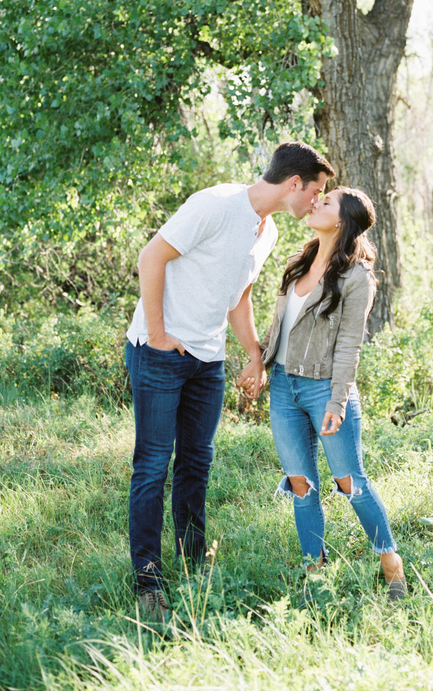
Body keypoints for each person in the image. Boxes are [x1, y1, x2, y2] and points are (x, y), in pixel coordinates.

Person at [125, 142, 335, 618]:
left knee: (197, 462)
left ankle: (193, 561)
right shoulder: (216, 204)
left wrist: (254, 355)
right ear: (294, 183)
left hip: (206, 360)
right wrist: (158, 334)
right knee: (154, 464)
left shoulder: (269, 231)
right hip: (159, 353)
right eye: (317, 191)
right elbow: (151, 256)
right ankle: (148, 579)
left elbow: (237, 295)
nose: (318, 202)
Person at [240, 186, 407, 601]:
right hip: (284, 387)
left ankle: (391, 565)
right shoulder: (298, 262)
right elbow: (282, 326)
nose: (316, 202)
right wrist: (259, 360)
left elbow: (350, 345)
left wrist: (337, 400)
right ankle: (315, 573)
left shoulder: (357, 277)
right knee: (301, 485)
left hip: (326, 391)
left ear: (343, 221)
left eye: (327, 201)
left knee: (350, 482)